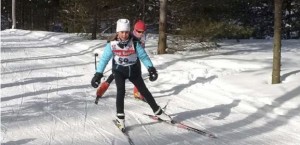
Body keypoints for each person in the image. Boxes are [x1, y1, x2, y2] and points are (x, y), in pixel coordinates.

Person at [91, 19, 171, 131]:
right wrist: (98, 74)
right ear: (117, 32)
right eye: (122, 32)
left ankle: (158, 112)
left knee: (144, 91)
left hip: (133, 70)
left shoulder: (134, 42)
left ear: (130, 32)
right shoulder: (112, 44)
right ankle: (120, 118)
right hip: (119, 71)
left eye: (127, 32)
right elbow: (104, 59)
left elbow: (143, 56)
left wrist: (151, 68)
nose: (124, 35)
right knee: (121, 91)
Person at [96, 20, 147, 101]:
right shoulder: (129, 35)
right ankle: (102, 88)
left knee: (138, 73)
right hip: (121, 57)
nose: (141, 33)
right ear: (134, 29)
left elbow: (141, 48)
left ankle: (137, 91)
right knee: (114, 74)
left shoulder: (143, 36)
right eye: (139, 31)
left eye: (143, 32)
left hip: (134, 57)